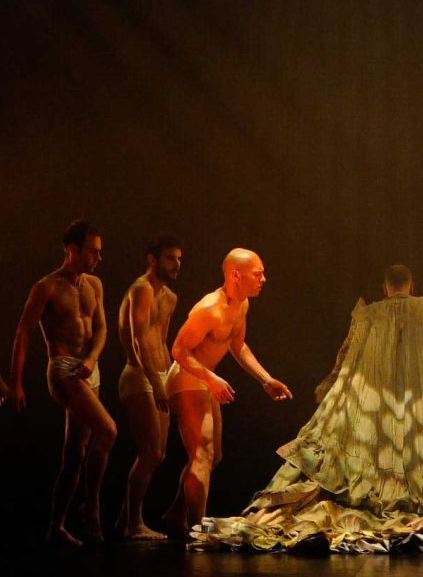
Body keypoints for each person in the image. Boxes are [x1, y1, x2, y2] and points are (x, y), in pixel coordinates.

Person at [191, 265, 423, 553]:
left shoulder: (369, 314)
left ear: (385, 289)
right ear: (411, 287)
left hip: (374, 396)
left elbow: (348, 361)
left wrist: (338, 394)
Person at [161, 248, 292, 534]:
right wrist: (210, 378)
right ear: (236, 275)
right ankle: (198, 529)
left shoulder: (242, 304)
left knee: (214, 456)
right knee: (203, 454)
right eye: (257, 274)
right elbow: (179, 350)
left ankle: (176, 514)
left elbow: (238, 345)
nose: (263, 280)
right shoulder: (210, 308)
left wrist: (265, 379)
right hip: (186, 377)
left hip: (204, 378)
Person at [10, 219, 116, 546]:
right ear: (73, 249)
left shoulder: (94, 285)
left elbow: (102, 329)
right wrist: (16, 383)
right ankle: (91, 507)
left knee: (74, 454)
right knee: (108, 431)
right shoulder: (47, 287)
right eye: (92, 252)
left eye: (99, 252)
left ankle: (56, 526)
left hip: (88, 368)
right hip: (64, 369)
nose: (98, 258)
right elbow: (23, 334)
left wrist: (93, 359)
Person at [116, 234, 182, 540]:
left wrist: (169, 378)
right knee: (150, 452)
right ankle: (134, 525)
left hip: (160, 376)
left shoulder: (170, 297)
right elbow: (138, 339)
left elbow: (162, 341)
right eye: (170, 258)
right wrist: (156, 383)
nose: (177, 264)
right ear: (152, 260)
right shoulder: (141, 289)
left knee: (159, 454)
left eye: (179, 259)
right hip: (139, 375)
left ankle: (125, 519)